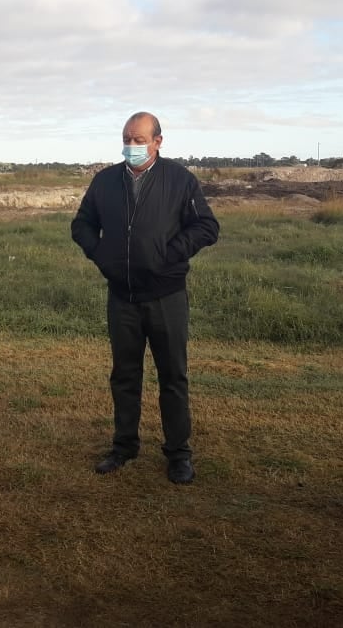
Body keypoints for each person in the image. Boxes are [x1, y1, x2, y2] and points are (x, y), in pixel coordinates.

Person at [71, 112, 220, 484]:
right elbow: (82, 224)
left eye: (139, 139)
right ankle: (124, 446)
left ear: (158, 141)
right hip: (122, 297)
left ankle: (178, 453)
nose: (131, 146)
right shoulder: (105, 181)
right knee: (124, 375)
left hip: (166, 296)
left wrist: (169, 254)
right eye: (126, 138)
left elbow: (207, 226)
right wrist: (101, 254)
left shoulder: (180, 180)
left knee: (173, 376)